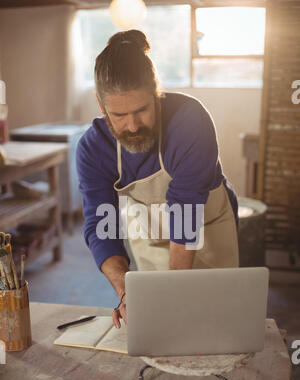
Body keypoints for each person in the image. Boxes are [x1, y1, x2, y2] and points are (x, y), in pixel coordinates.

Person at [76, 29, 239, 329]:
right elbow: (100, 227)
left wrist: (173, 296)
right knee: (159, 327)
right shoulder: (93, 148)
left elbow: (186, 212)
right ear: (101, 106)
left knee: (215, 323)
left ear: (157, 94)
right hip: (149, 234)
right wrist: (128, 293)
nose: (133, 125)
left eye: (142, 110)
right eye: (119, 115)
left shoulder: (190, 122)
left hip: (206, 228)